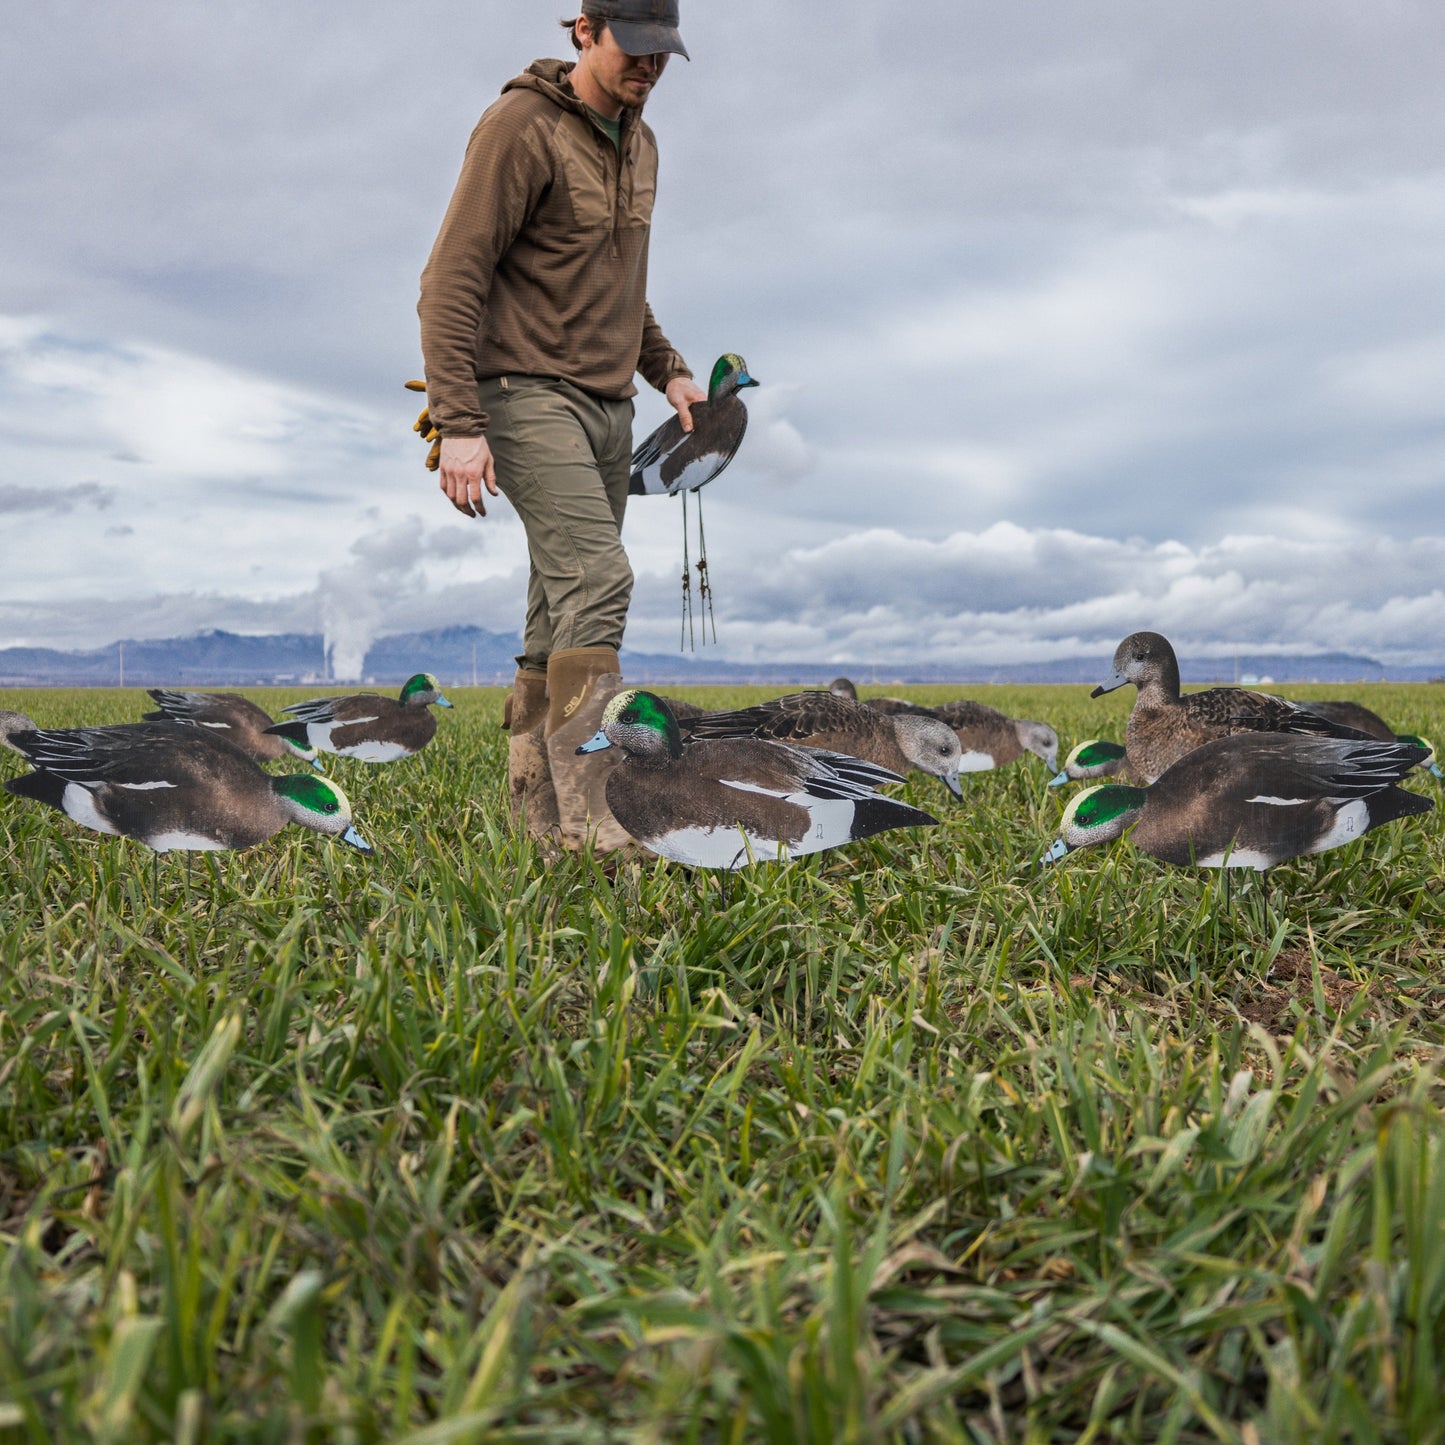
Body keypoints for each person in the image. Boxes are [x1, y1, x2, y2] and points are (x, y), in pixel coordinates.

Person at [418, 1, 703, 854]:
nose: (648, 69)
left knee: (559, 609)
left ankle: (541, 821)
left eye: (663, 55)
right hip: (522, 391)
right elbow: (449, 278)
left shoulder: (642, 144)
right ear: (584, 30)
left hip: (607, 406)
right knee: (600, 579)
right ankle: (601, 822)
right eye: (634, 50)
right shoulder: (520, 127)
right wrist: (461, 420)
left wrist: (669, 369)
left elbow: (614, 281)